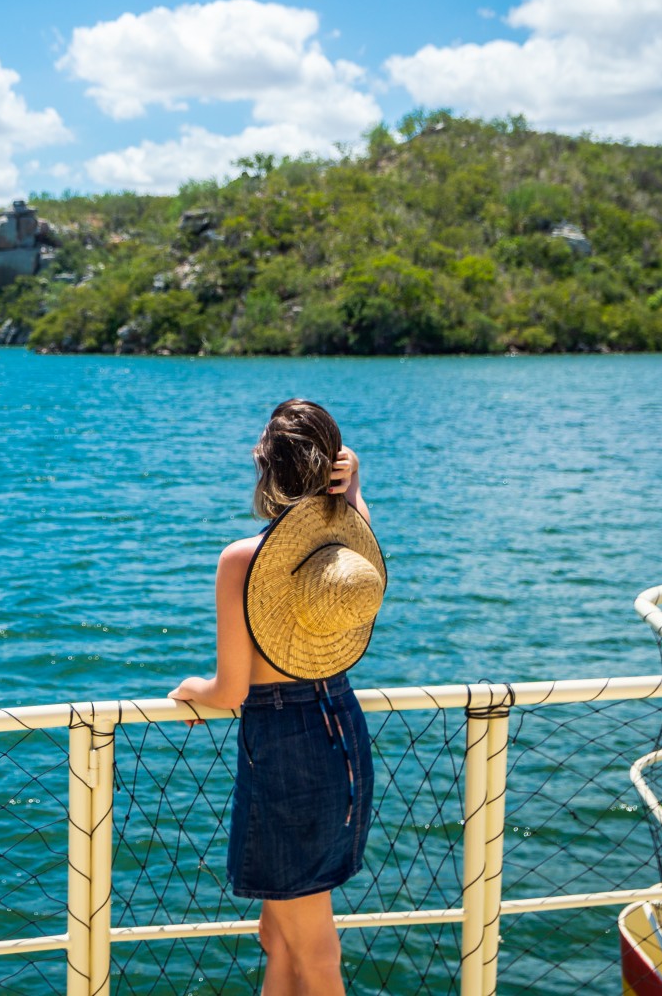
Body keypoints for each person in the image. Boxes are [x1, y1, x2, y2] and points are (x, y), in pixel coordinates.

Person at [169, 398, 385, 996]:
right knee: (278, 931)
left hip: (285, 747)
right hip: (342, 728)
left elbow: (231, 689)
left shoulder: (243, 560)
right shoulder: (346, 552)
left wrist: (191, 690)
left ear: (266, 468)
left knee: (315, 947)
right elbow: (357, 551)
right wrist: (353, 489)